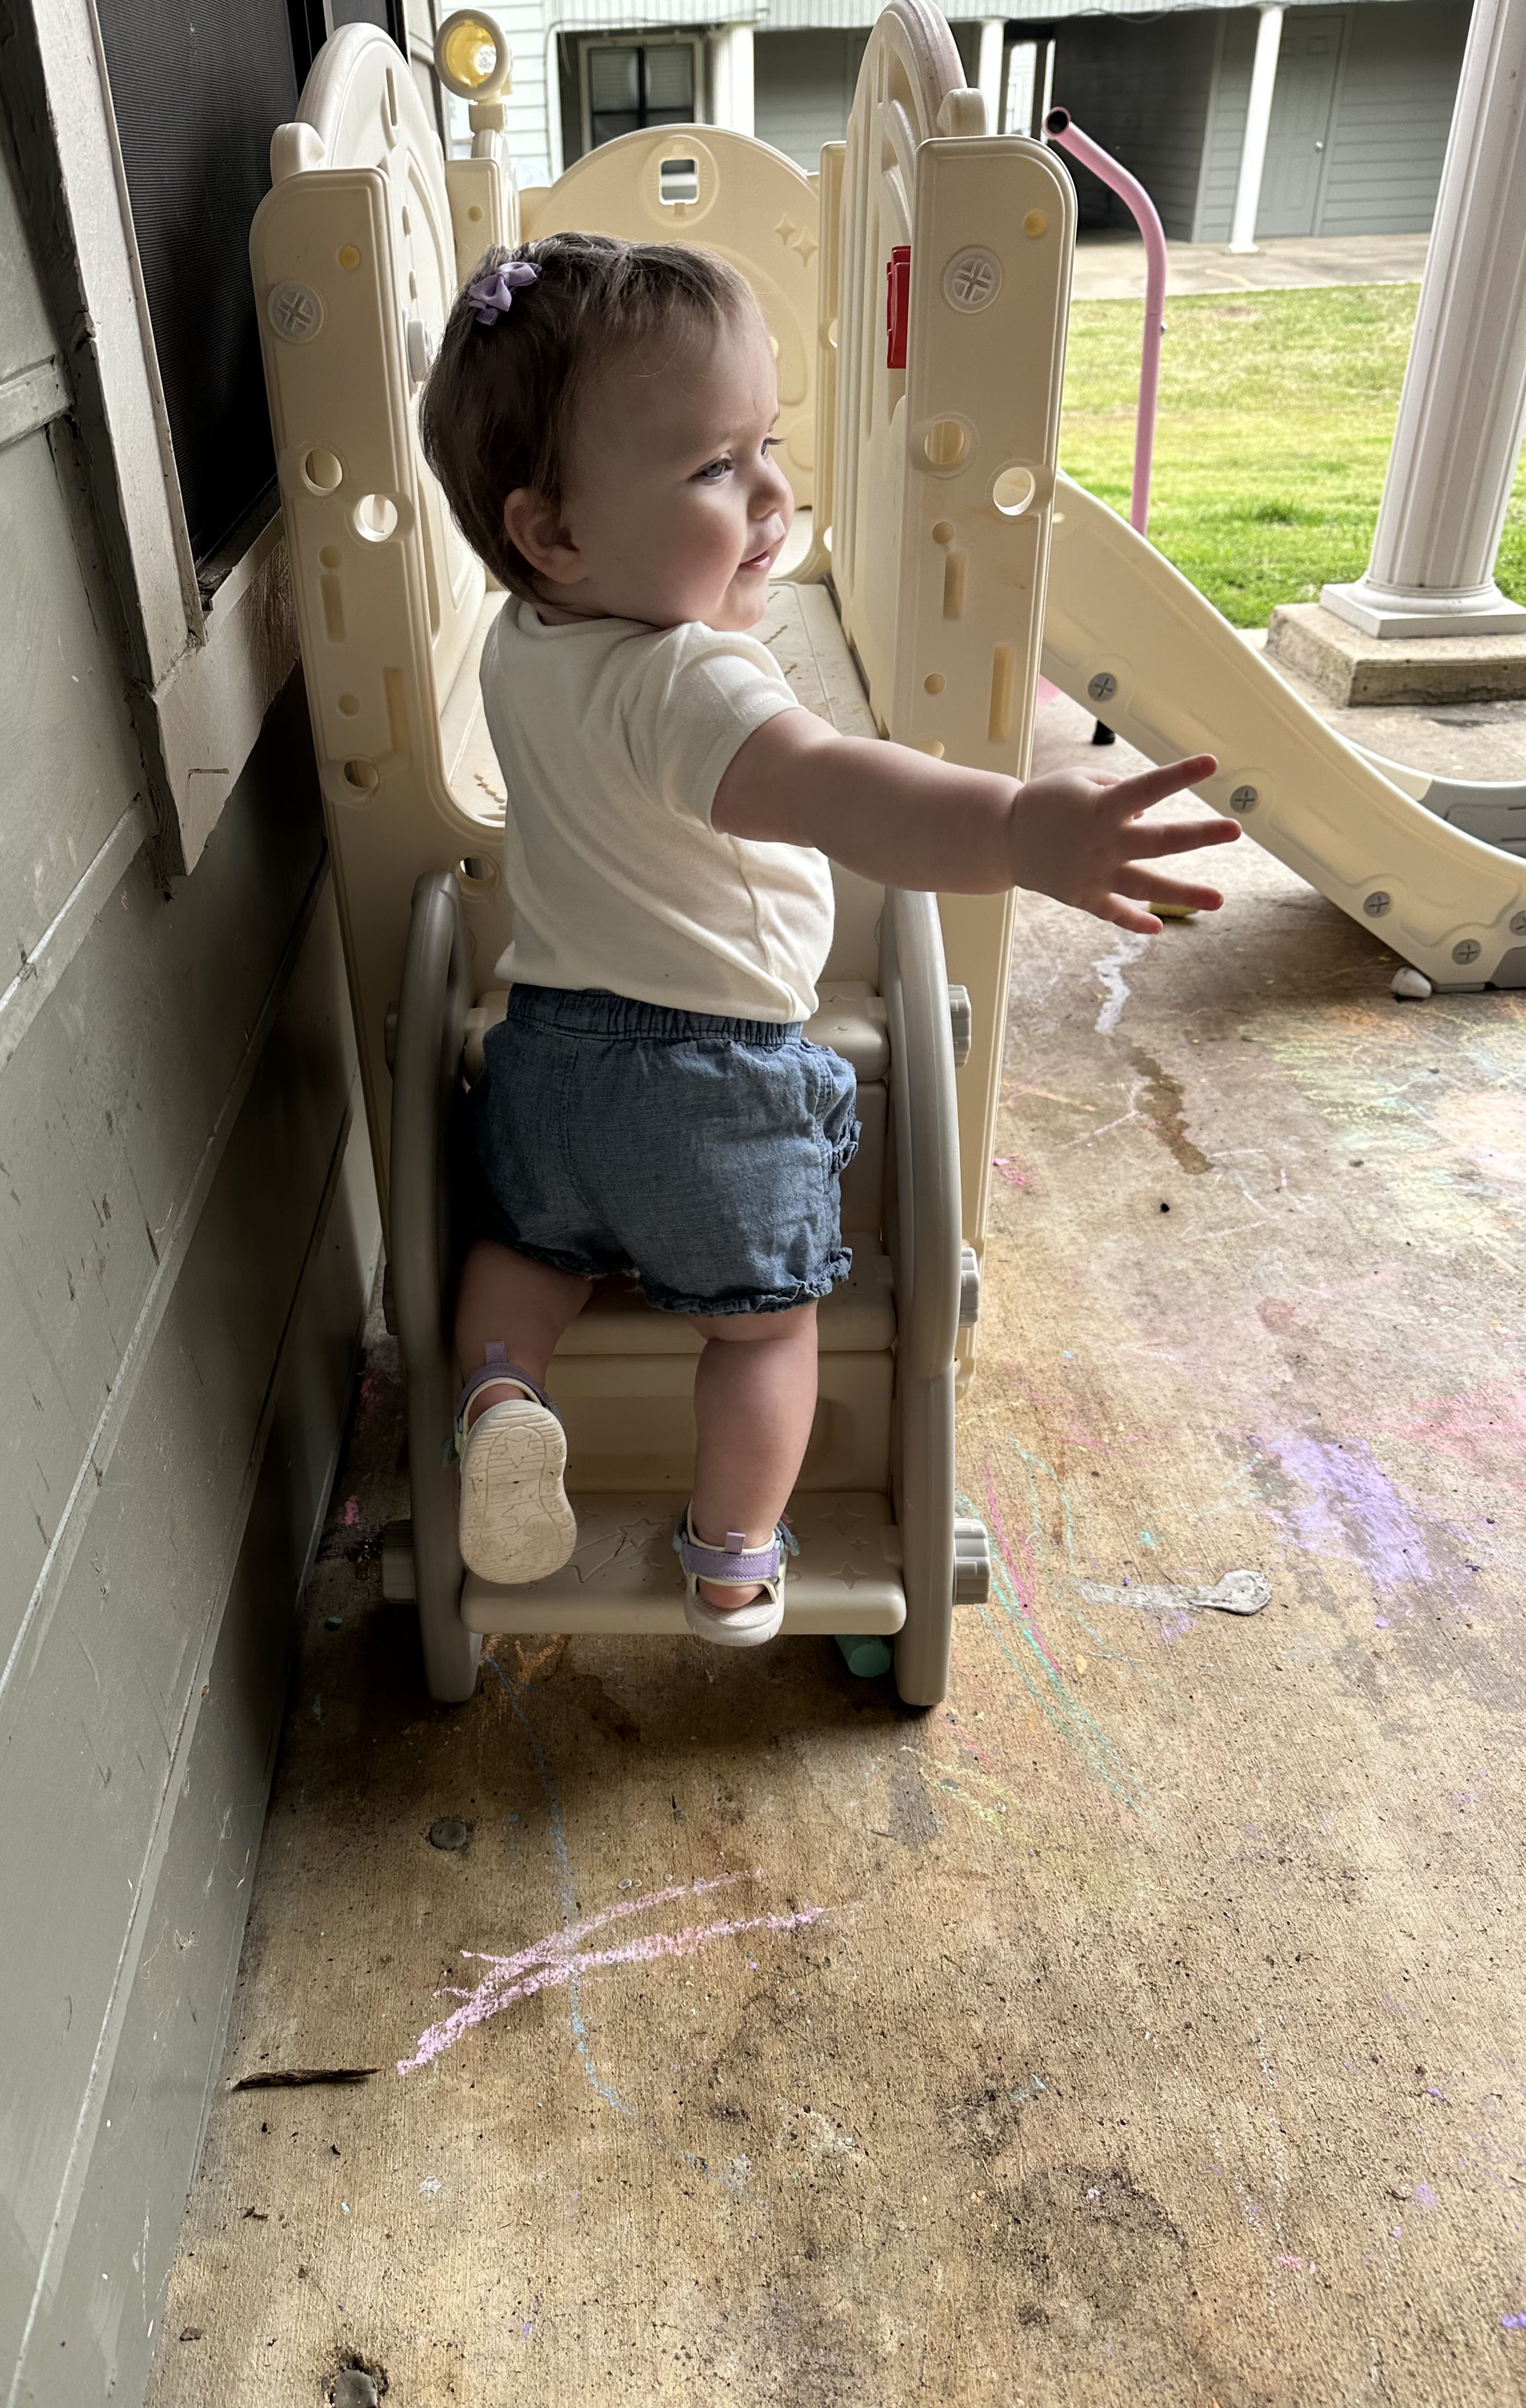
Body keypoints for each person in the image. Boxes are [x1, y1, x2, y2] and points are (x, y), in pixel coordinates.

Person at [418, 233, 1233, 1648]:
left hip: (544, 1062)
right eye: (716, 471)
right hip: (711, 1085)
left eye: (768, 444)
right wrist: (1023, 828)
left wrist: (708, 551)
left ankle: (500, 1393)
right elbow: (849, 793)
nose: (776, 495)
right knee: (768, 1326)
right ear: (553, 529)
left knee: (522, 1256)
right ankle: (733, 1559)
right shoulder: (692, 682)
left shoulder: (523, 641)